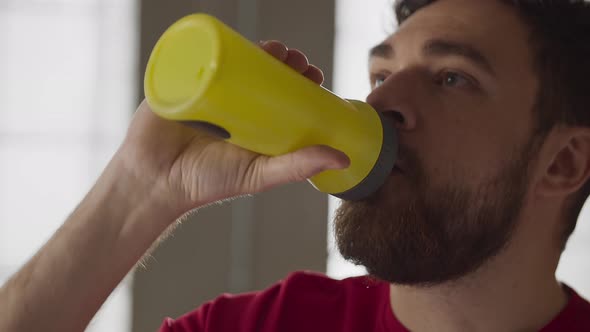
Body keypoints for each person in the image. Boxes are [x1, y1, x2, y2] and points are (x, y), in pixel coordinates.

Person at [2, 0, 590, 331]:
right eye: (381, 75)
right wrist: (138, 189)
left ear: (562, 161)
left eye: (451, 78)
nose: (380, 102)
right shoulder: (265, 327)